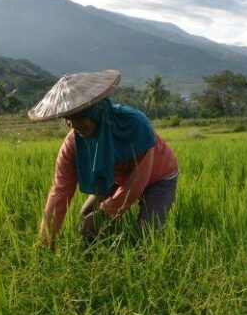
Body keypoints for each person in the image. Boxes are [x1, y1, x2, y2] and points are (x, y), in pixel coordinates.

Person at [29, 70, 179, 247]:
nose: (74, 126)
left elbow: (138, 180)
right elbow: (60, 191)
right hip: (113, 177)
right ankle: (102, 251)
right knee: (86, 216)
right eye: (68, 119)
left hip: (158, 177)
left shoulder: (134, 125)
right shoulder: (73, 143)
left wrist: (105, 213)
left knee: (148, 232)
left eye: (79, 118)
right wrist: (46, 240)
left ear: (96, 111)